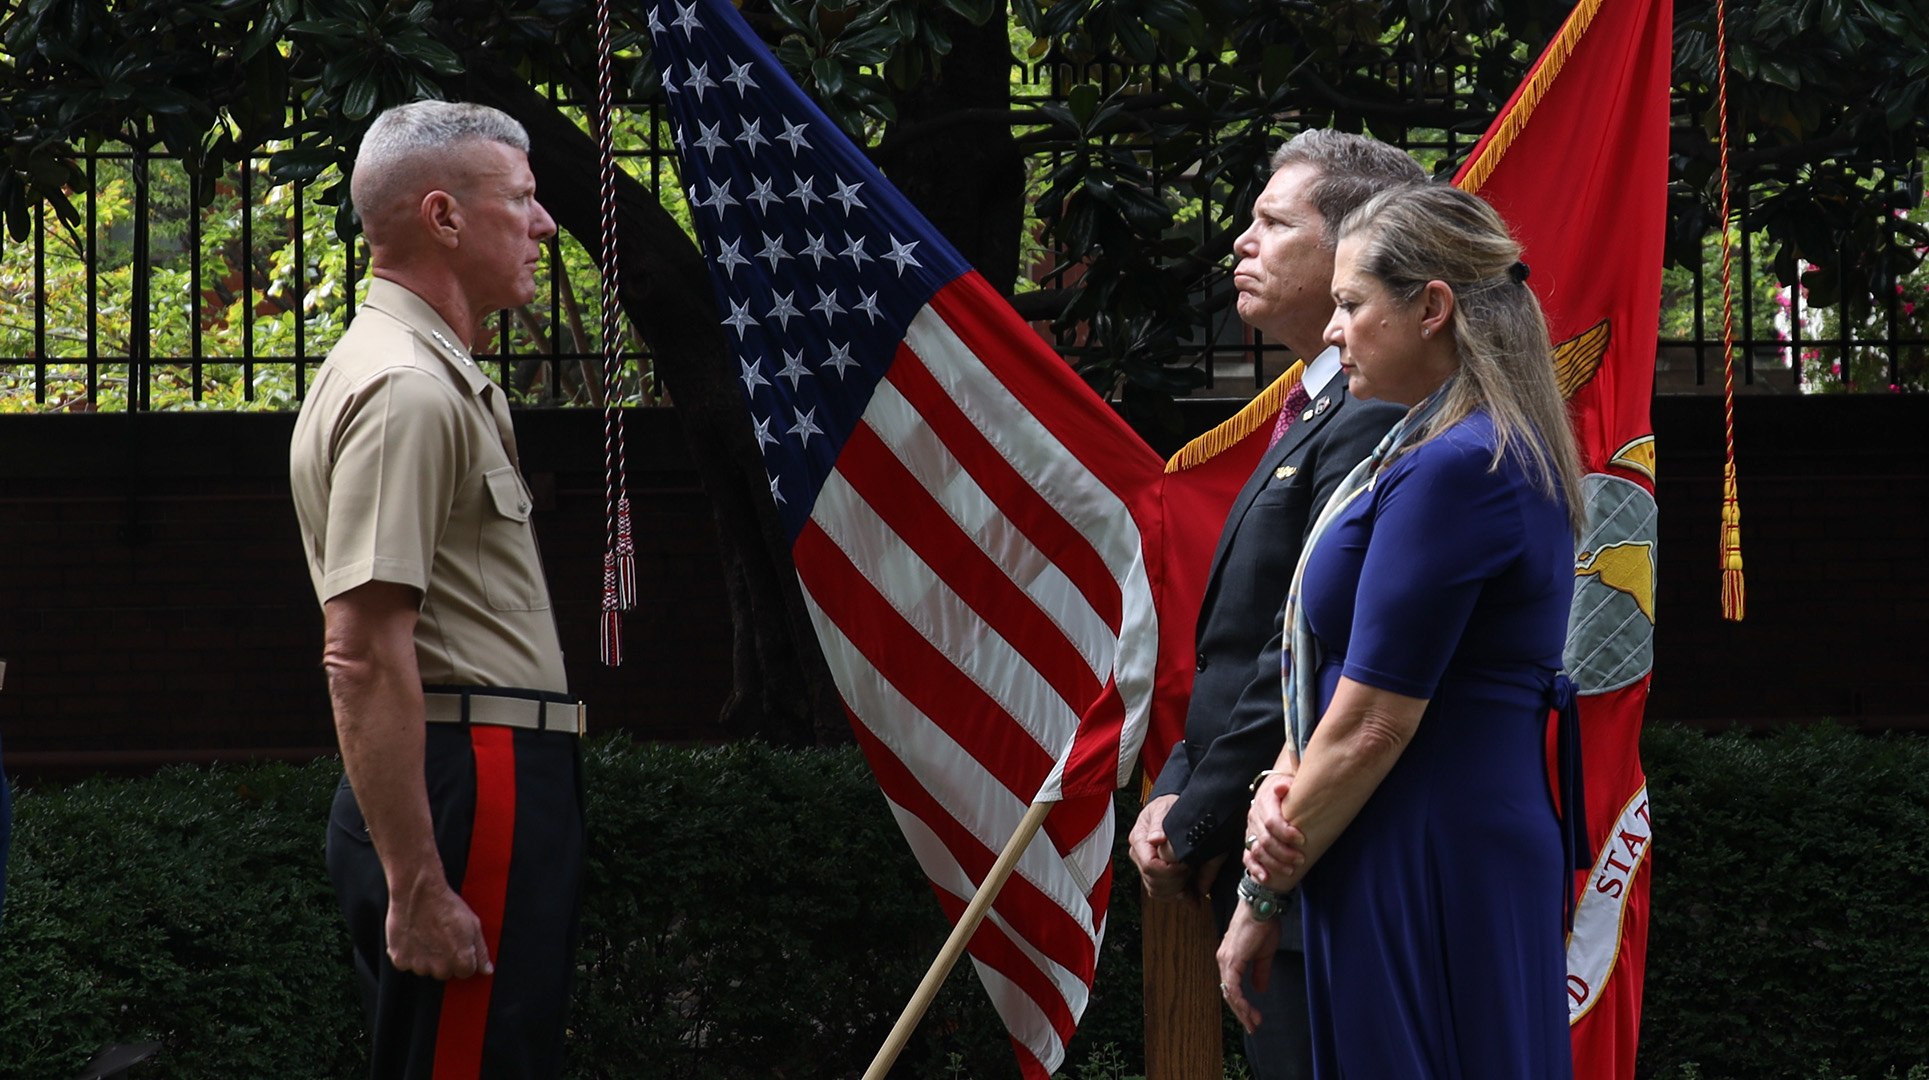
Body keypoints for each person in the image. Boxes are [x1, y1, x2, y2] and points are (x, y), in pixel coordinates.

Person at [1217, 181, 1586, 1080]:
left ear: (1430, 307)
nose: (1333, 330)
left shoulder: (1458, 466)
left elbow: (1378, 718)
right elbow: (1350, 681)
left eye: (1349, 304)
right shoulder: (1456, 449)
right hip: (1430, 829)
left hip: (1423, 842)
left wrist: (1260, 892)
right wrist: (1284, 777)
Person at [290, 101, 585, 1080]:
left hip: (475, 769)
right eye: (525, 200)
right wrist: (419, 881)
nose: (544, 225)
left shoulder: (425, 376)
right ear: (444, 218)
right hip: (471, 776)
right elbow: (363, 649)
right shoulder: (408, 389)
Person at [1128, 130, 1417, 1079]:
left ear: (1351, 250)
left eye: (1270, 222)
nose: (1239, 245)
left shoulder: (1373, 413)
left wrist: (1196, 817)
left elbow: (1311, 651)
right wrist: (1177, 779)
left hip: (1322, 860)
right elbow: (1245, 639)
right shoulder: (1315, 405)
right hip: (1276, 858)